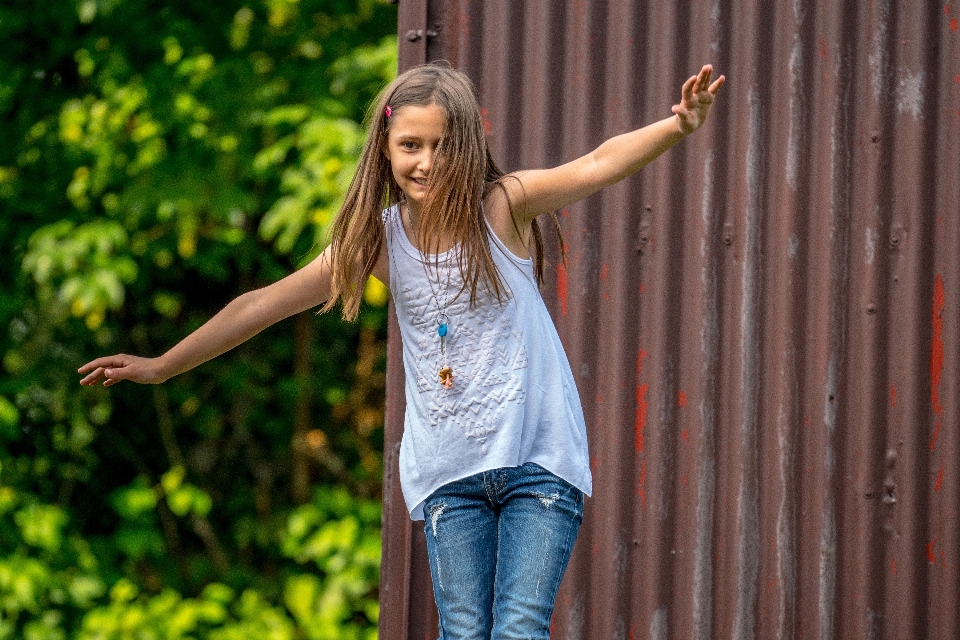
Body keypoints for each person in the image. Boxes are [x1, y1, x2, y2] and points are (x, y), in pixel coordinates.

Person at [79, 61, 724, 639]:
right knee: (465, 630)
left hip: (538, 459)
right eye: (410, 145)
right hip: (448, 476)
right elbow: (264, 303)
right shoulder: (378, 243)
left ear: (467, 147)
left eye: (442, 147)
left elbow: (593, 164)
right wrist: (164, 364)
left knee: (520, 627)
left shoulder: (502, 207)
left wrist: (676, 127)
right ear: (384, 150)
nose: (426, 162)